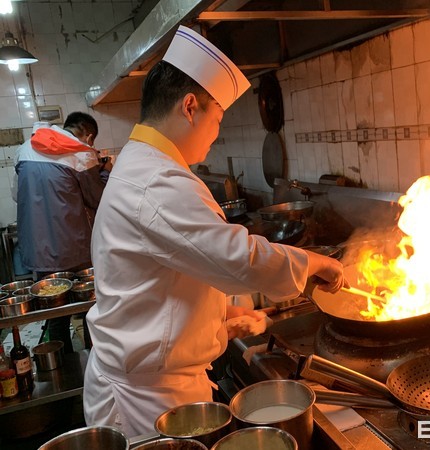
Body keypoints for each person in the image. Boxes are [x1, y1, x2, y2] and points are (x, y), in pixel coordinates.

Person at [83, 25, 346, 438]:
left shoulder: (142, 165)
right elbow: (237, 258)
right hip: (149, 402)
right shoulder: (157, 179)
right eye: (218, 117)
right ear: (190, 107)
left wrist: (218, 316)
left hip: (154, 383)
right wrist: (316, 262)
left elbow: (165, 278)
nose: (217, 131)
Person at [14, 112, 111, 352]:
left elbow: (17, 196)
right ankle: (94, 367)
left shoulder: (25, 148)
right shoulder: (81, 152)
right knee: (90, 311)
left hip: (40, 253)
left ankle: (62, 368)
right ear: (88, 136)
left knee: (56, 313)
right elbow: (97, 198)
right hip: (76, 251)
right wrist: (105, 170)